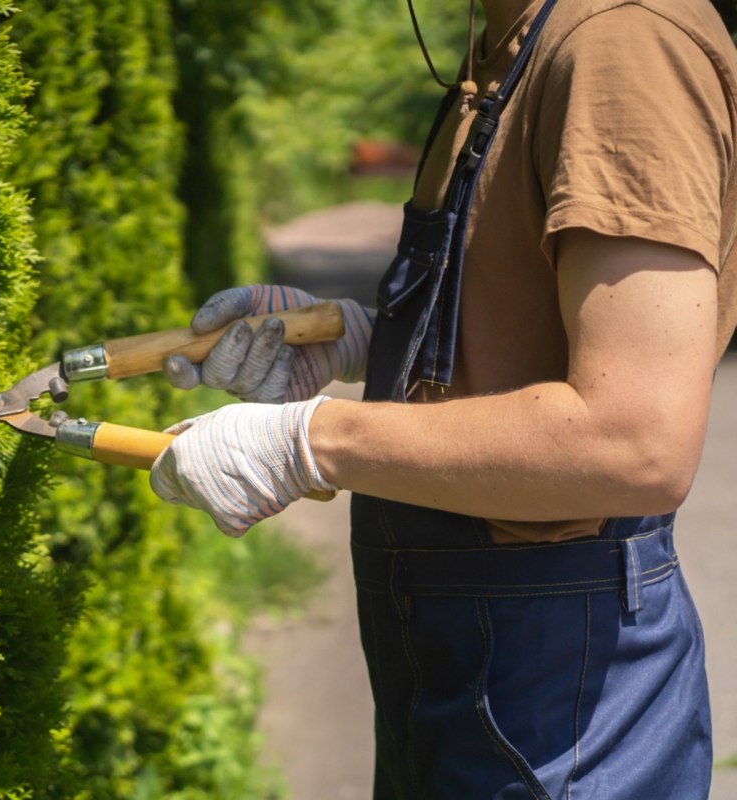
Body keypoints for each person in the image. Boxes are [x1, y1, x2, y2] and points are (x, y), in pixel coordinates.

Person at [151, 0, 737, 797]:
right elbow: (524, 325)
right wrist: (366, 342)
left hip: (560, 702)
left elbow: (633, 442)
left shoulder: (619, 43)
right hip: (459, 670)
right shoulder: (503, 41)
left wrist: (312, 441)